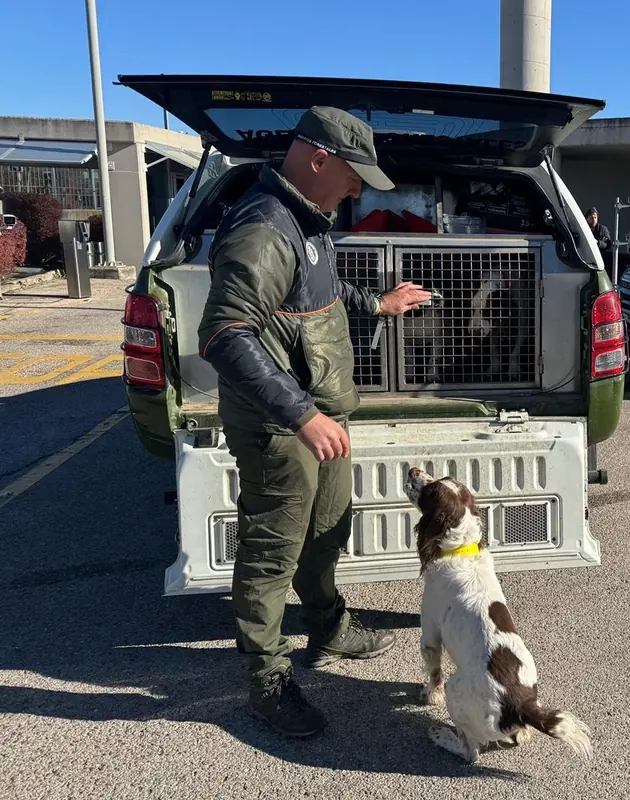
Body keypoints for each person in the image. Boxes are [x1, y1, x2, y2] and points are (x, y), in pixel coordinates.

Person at [198, 106, 432, 739]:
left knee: (327, 527)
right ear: (318, 159)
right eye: (355, 176)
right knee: (273, 547)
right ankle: (266, 677)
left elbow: (318, 294)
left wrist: (377, 304)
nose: (360, 190)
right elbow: (223, 332)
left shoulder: (309, 220)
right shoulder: (263, 229)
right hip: (281, 424)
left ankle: (326, 626)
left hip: (316, 412)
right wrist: (300, 415)